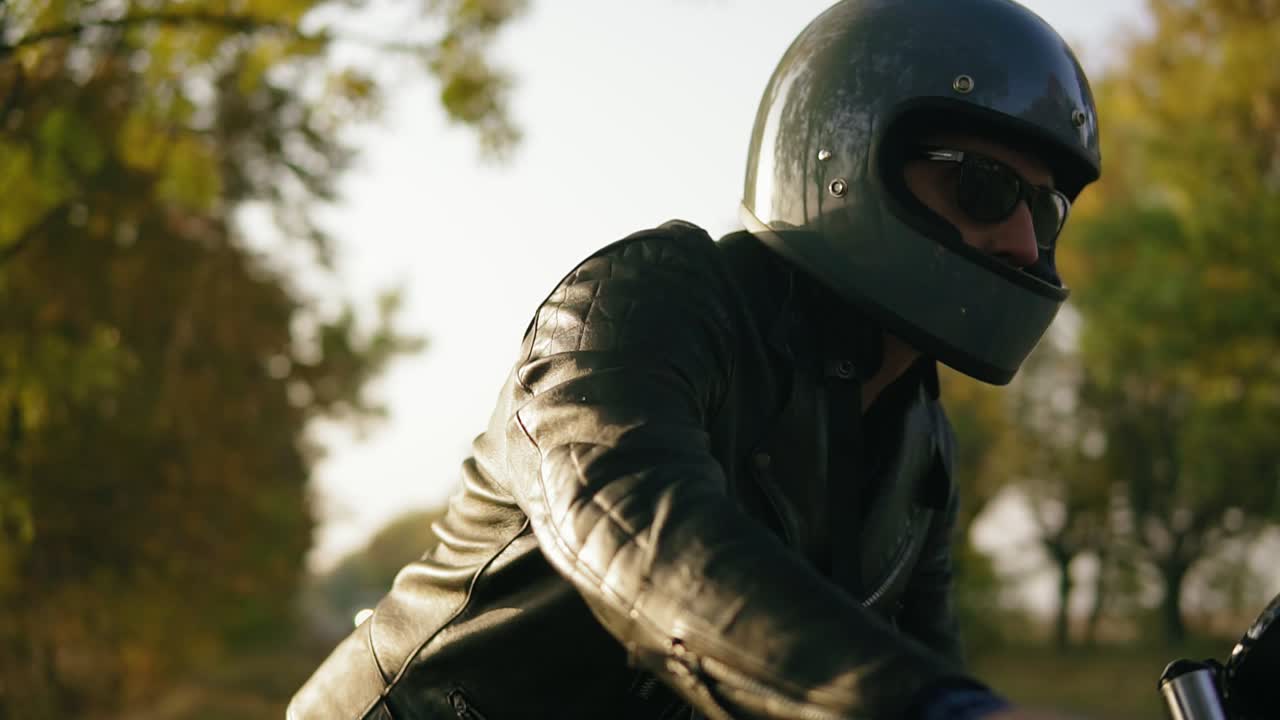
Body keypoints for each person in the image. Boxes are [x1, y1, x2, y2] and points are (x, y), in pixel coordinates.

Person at [289, 0, 1102, 718]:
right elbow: (639, 530)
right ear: (852, 155)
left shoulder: (921, 447)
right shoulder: (646, 303)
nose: (1027, 244)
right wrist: (931, 709)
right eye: (986, 189)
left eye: (1047, 208)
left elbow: (926, 661)